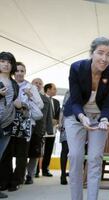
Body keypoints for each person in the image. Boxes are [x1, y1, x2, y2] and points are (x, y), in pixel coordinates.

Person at [63, 37, 109, 200]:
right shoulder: (77, 68)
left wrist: (104, 119)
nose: (104, 58)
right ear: (92, 53)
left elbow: (108, 104)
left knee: (95, 158)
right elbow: (74, 100)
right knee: (75, 156)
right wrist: (82, 117)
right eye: (100, 53)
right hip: (76, 116)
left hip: (98, 117)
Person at [0, 61, 43, 192]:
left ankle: (17, 180)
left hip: (24, 122)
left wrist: (29, 99)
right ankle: (4, 180)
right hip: (8, 122)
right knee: (6, 153)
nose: (19, 73)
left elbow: (40, 106)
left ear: (25, 72)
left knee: (21, 153)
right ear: (13, 71)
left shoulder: (31, 87)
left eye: (22, 71)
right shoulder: (8, 83)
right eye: (17, 70)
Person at [25, 78, 53, 185]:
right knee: (23, 153)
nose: (38, 84)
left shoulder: (46, 100)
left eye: (40, 83)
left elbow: (49, 117)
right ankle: (20, 174)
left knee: (35, 154)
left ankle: (29, 175)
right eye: (35, 83)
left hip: (39, 130)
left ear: (42, 86)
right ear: (31, 84)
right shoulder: (23, 95)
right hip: (25, 129)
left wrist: (49, 130)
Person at [0, 52, 19, 199]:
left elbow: (14, 102)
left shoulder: (13, 83)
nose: (6, 64)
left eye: (8, 62)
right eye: (2, 61)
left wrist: (19, 105)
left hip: (7, 123)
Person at [37, 83, 60, 177]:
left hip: (53, 129)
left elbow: (58, 113)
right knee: (38, 149)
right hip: (42, 128)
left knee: (49, 150)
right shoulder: (40, 98)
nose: (56, 91)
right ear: (48, 89)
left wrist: (57, 120)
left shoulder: (56, 101)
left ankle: (45, 169)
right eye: (54, 89)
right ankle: (36, 170)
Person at [59, 90, 70, 185]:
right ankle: (63, 174)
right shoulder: (68, 92)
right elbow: (63, 108)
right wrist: (60, 122)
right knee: (65, 149)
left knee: (78, 151)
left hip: (82, 123)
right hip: (67, 122)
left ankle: (76, 174)